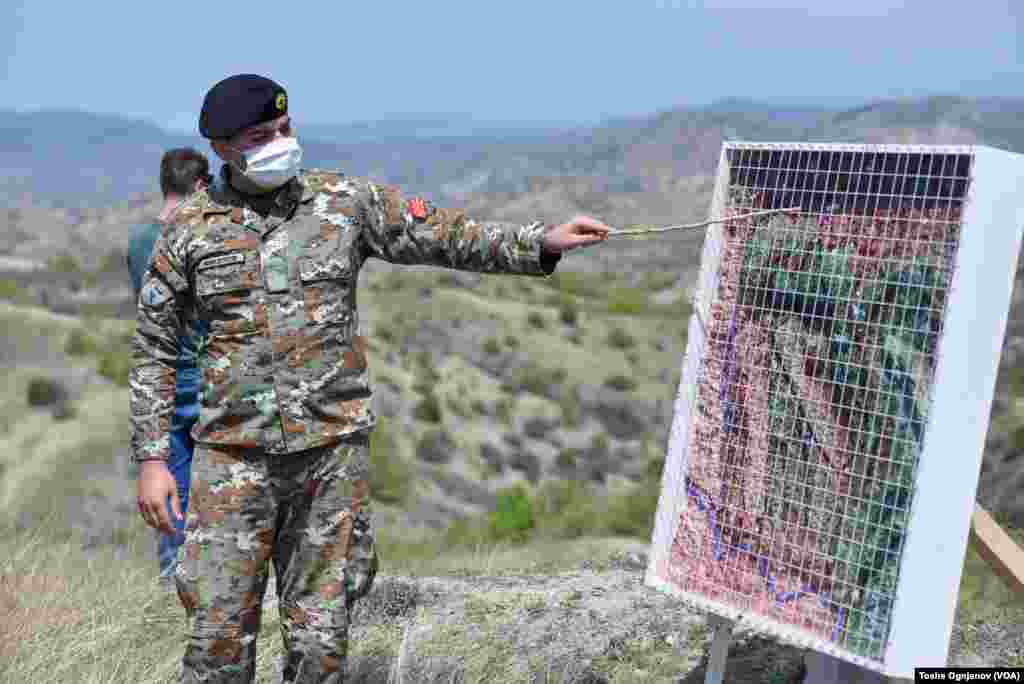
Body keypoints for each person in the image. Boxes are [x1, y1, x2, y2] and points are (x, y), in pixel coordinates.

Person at [130, 73, 611, 684]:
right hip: (233, 463)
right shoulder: (187, 231)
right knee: (217, 647)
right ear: (223, 148)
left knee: (322, 642)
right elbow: (154, 350)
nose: (281, 142)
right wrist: (151, 459)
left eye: (285, 128)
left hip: (330, 459)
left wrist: (537, 242)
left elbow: (445, 236)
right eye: (261, 136)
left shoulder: (343, 203)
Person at [126, 148, 212, 590]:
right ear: (200, 185)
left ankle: (170, 591)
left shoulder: (139, 240)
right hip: (204, 381)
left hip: (160, 385)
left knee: (169, 505)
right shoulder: (199, 236)